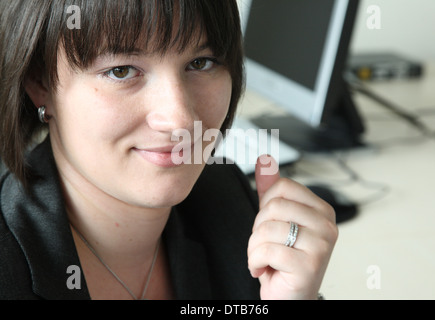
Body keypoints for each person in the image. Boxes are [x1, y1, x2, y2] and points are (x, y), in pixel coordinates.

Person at [0, 0, 338, 300]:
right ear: (40, 83)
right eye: (122, 71)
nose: (179, 118)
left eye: (201, 62)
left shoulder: (228, 203)